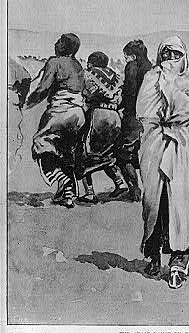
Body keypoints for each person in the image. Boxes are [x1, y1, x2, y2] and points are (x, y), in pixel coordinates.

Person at [137, 36, 189, 289]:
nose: (170, 60)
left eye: (176, 55)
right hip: (154, 143)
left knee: (181, 203)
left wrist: (173, 116)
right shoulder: (151, 78)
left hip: (182, 146)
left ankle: (178, 262)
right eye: (166, 55)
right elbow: (144, 110)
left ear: (184, 56)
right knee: (154, 201)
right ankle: (153, 255)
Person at [26, 33, 86, 208]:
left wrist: (27, 103)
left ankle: (64, 182)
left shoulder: (55, 62)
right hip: (78, 115)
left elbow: (43, 88)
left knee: (40, 145)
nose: (55, 43)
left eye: (59, 42)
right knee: (66, 152)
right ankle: (67, 196)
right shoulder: (77, 64)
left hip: (60, 112)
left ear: (64, 46)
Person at [78, 52, 129, 203]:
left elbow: (87, 94)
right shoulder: (116, 76)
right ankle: (120, 183)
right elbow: (120, 98)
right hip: (115, 117)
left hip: (98, 116)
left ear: (92, 63)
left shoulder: (89, 74)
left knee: (85, 154)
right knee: (108, 152)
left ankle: (89, 193)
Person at [116, 39, 152, 202]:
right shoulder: (152, 69)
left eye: (126, 56)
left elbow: (129, 91)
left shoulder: (132, 67)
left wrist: (121, 105)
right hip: (150, 119)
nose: (125, 60)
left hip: (133, 118)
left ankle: (134, 189)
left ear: (133, 56)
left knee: (124, 155)